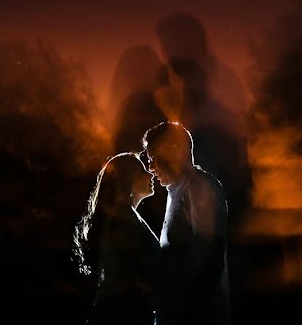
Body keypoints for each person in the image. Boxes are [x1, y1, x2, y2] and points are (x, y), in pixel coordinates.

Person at [142, 121, 230, 325]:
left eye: (154, 157)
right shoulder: (177, 191)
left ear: (175, 150)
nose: (150, 167)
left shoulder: (199, 187)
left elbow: (210, 256)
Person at [75, 152, 161, 325]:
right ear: (128, 179)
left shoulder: (120, 217)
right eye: (142, 170)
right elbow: (151, 265)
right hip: (124, 312)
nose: (150, 174)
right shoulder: (124, 220)